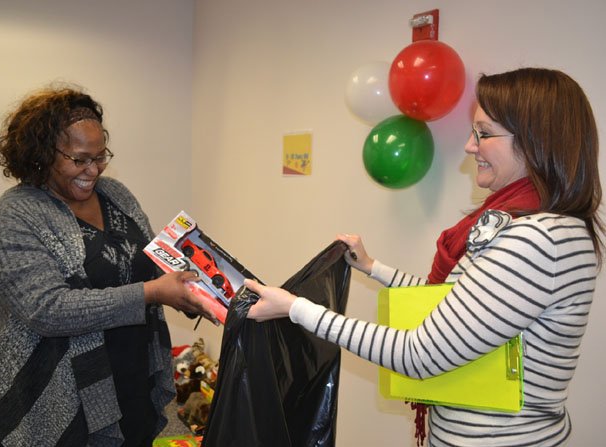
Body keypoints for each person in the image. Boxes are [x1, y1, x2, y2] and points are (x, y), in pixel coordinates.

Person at [244, 67, 603, 446]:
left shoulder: (536, 239)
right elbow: (455, 303)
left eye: (484, 133)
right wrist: (372, 267)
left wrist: (297, 309)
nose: (469, 146)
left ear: (535, 141)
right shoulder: (531, 225)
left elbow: (420, 354)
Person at [0, 85, 217, 447]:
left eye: (100, 156)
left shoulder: (115, 194)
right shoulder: (11, 217)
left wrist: (201, 287)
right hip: (54, 394)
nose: (93, 169)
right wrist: (152, 293)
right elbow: (48, 310)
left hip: (130, 376)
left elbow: (150, 261)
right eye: (79, 159)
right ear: (41, 155)